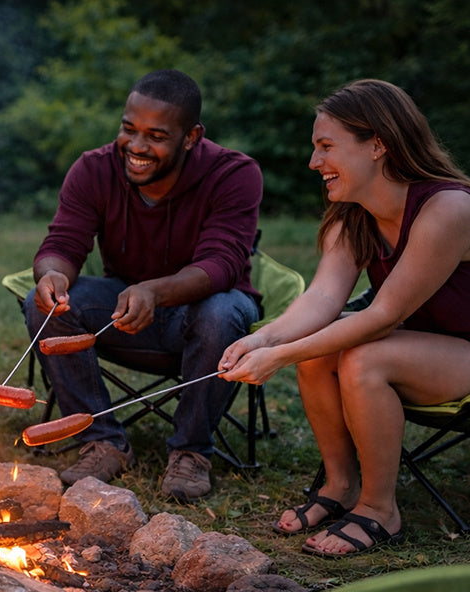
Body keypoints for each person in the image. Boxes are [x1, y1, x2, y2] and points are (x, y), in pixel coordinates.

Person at [220, 79, 470, 557]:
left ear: (377, 144)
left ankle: (380, 510)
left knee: (361, 359)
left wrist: (281, 356)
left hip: (463, 352)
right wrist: (265, 340)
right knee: (319, 354)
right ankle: (340, 485)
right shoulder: (352, 215)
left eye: (326, 146)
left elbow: (383, 316)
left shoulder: (448, 208)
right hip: (427, 346)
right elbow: (321, 299)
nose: (314, 162)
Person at [25, 69, 262, 500]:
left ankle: (191, 452)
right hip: (122, 312)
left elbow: (222, 264)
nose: (136, 146)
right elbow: (63, 242)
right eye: (129, 129)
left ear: (191, 137)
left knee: (222, 311)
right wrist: (52, 274)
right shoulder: (94, 168)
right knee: (43, 305)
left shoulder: (233, 173)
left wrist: (154, 291)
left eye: (156, 136)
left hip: (204, 317)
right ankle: (102, 442)